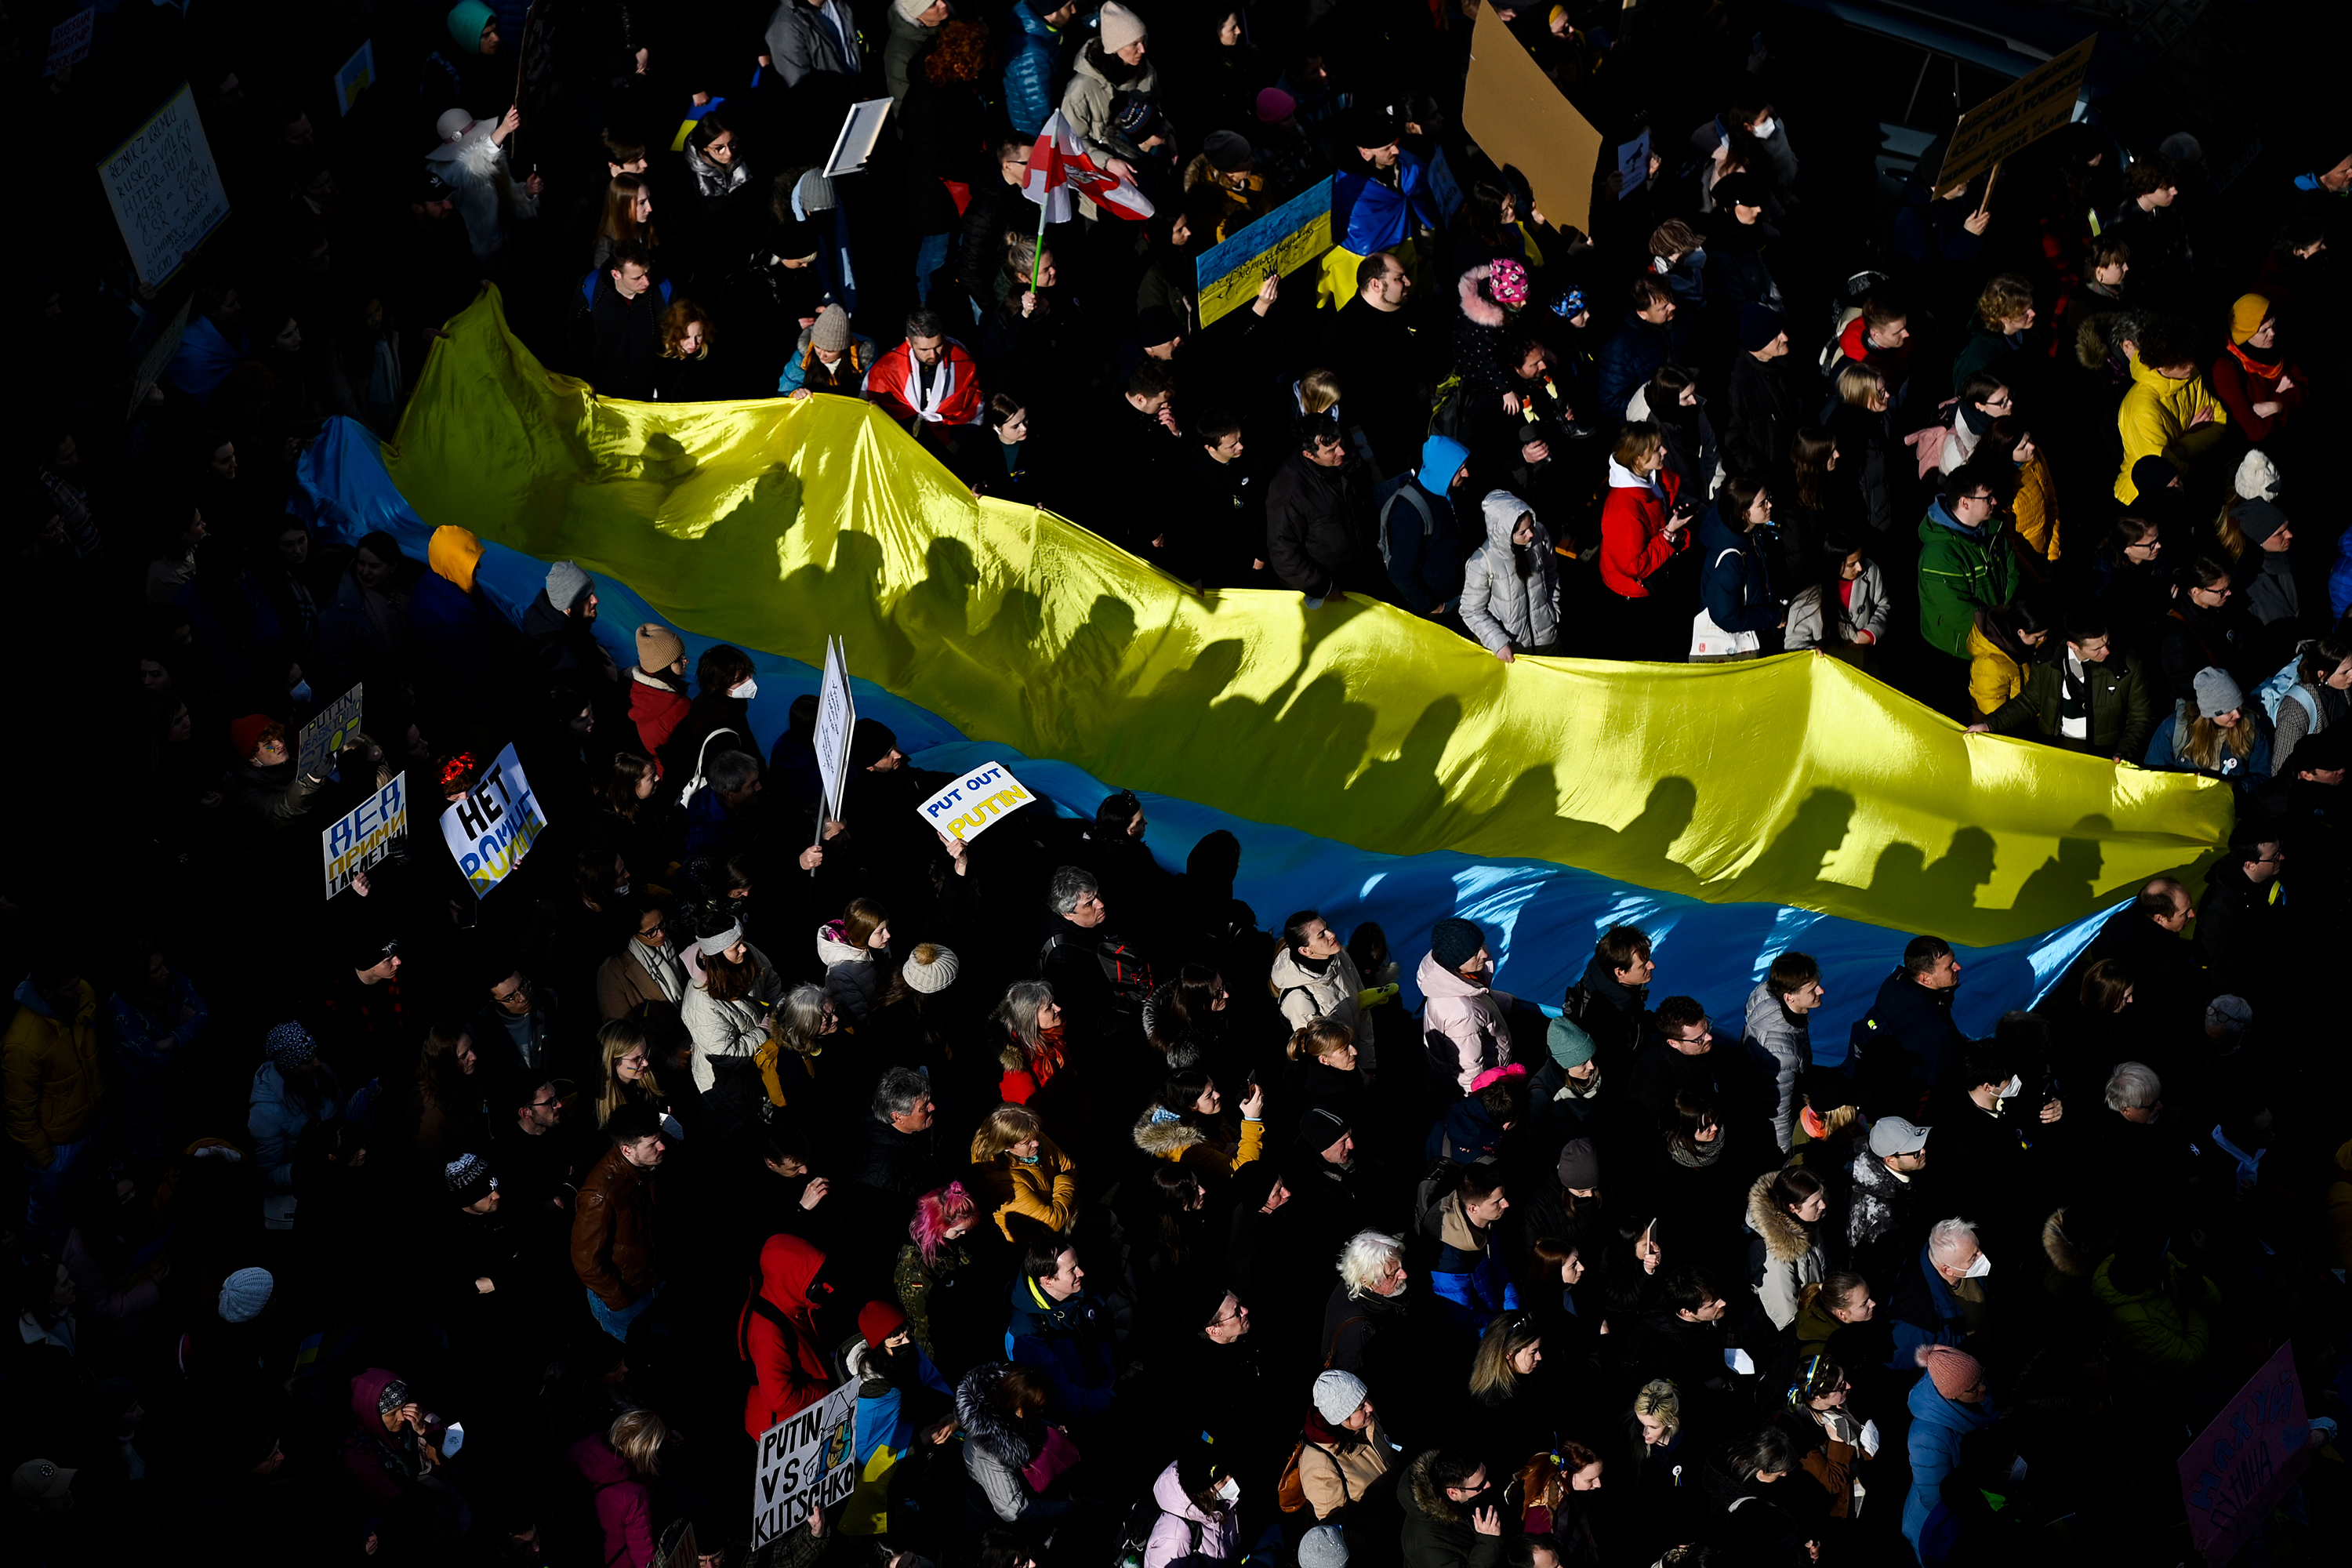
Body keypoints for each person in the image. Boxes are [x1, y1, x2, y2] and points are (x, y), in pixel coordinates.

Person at [1981, 606, 2154, 761]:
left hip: (2102, 755)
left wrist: (2124, 754)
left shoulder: (2127, 666)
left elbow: (2140, 719)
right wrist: (1989, 724)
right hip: (2054, 747)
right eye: (2097, 649)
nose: (2106, 651)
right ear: (2073, 646)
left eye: (2106, 642)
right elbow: (2030, 701)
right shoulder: (2047, 659)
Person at [571, 1103, 670, 1341]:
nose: (662, 1146)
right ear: (627, 1150)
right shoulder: (600, 1195)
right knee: (631, 1360)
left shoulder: (648, 1166)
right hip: (626, 1299)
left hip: (651, 1281)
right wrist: (621, 1300)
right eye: (652, 1144)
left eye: (660, 1138)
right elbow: (587, 1264)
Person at [1268, 413, 1385, 601]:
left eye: (1341, 443)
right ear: (1309, 454)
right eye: (1331, 450)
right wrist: (1324, 587)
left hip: (1368, 568)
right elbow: (1283, 552)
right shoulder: (1288, 490)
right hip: (1333, 584)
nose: (1342, 452)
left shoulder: (1349, 458)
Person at [1917, 463, 2018, 662]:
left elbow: (2013, 574)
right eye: (1987, 497)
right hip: (1959, 651)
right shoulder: (1939, 555)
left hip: (1998, 637)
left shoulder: (1992, 531)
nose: (1995, 502)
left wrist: (2009, 619)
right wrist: (2002, 634)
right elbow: (1960, 615)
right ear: (1965, 503)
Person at [1903, 1345, 1998, 1556]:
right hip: (1938, 1529)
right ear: (1952, 1396)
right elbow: (1935, 1496)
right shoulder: (1926, 1437)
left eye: (1981, 1377)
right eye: (1973, 1388)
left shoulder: (1970, 1390)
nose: (1983, 1388)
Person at [739, 1232, 833, 1438]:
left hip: (797, 1418)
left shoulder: (787, 1301)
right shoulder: (769, 1334)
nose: (825, 1287)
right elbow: (779, 1398)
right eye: (812, 1281)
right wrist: (823, 1391)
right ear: (790, 1280)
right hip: (780, 1431)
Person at [1419, 919, 1516, 1100]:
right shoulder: (1462, 1015)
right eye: (1475, 953)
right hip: (1489, 1083)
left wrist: (1506, 1003)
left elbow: (1477, 996)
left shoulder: (1447, 979)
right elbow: (1471, 1075)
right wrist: (1486, 1105)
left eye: (1481, 945)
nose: (1486, 954)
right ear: (1456, 962)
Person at [1458, 492, 1560, 662]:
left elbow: (1551, 572)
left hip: (1547, 641)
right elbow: (1471, 610)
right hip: (1513, 652)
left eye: (1531, 526)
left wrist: (1552, 611)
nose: (1531, 534)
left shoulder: (1539, 534)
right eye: (1523, 532)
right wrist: (1498, 643)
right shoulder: (1482, 563)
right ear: (1506, 535)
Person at [1743, 951, 1821, 1151]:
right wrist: (1787, 1154)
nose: (1821, 991)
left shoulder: (1764, 992)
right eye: (1813, 989)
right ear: (1790, 997)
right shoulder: (1781, 1055)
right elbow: (1779, 1113)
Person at [1398, 1446, 1504, 1568]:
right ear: (1453, 1493)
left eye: (1486, 1475)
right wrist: (1489, 1543)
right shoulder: (1428, 1545)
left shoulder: (1467, 1498)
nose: (1488, 1485)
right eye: (1479, 1487)